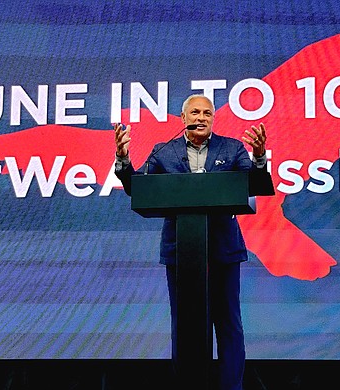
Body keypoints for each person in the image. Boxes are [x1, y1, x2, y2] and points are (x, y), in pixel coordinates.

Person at [113, 94, 267, 390]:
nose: (201, 117)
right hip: (180, 251)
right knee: (183, 326)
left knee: (228, 326)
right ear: (183, 119)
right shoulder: (164, 152)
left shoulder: (232, 149)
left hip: (223, 249)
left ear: (213, 118)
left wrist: (259, 157)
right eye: (194, 112)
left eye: (207, 113)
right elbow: (138, 190)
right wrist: (123, 160)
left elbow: (255, 185)